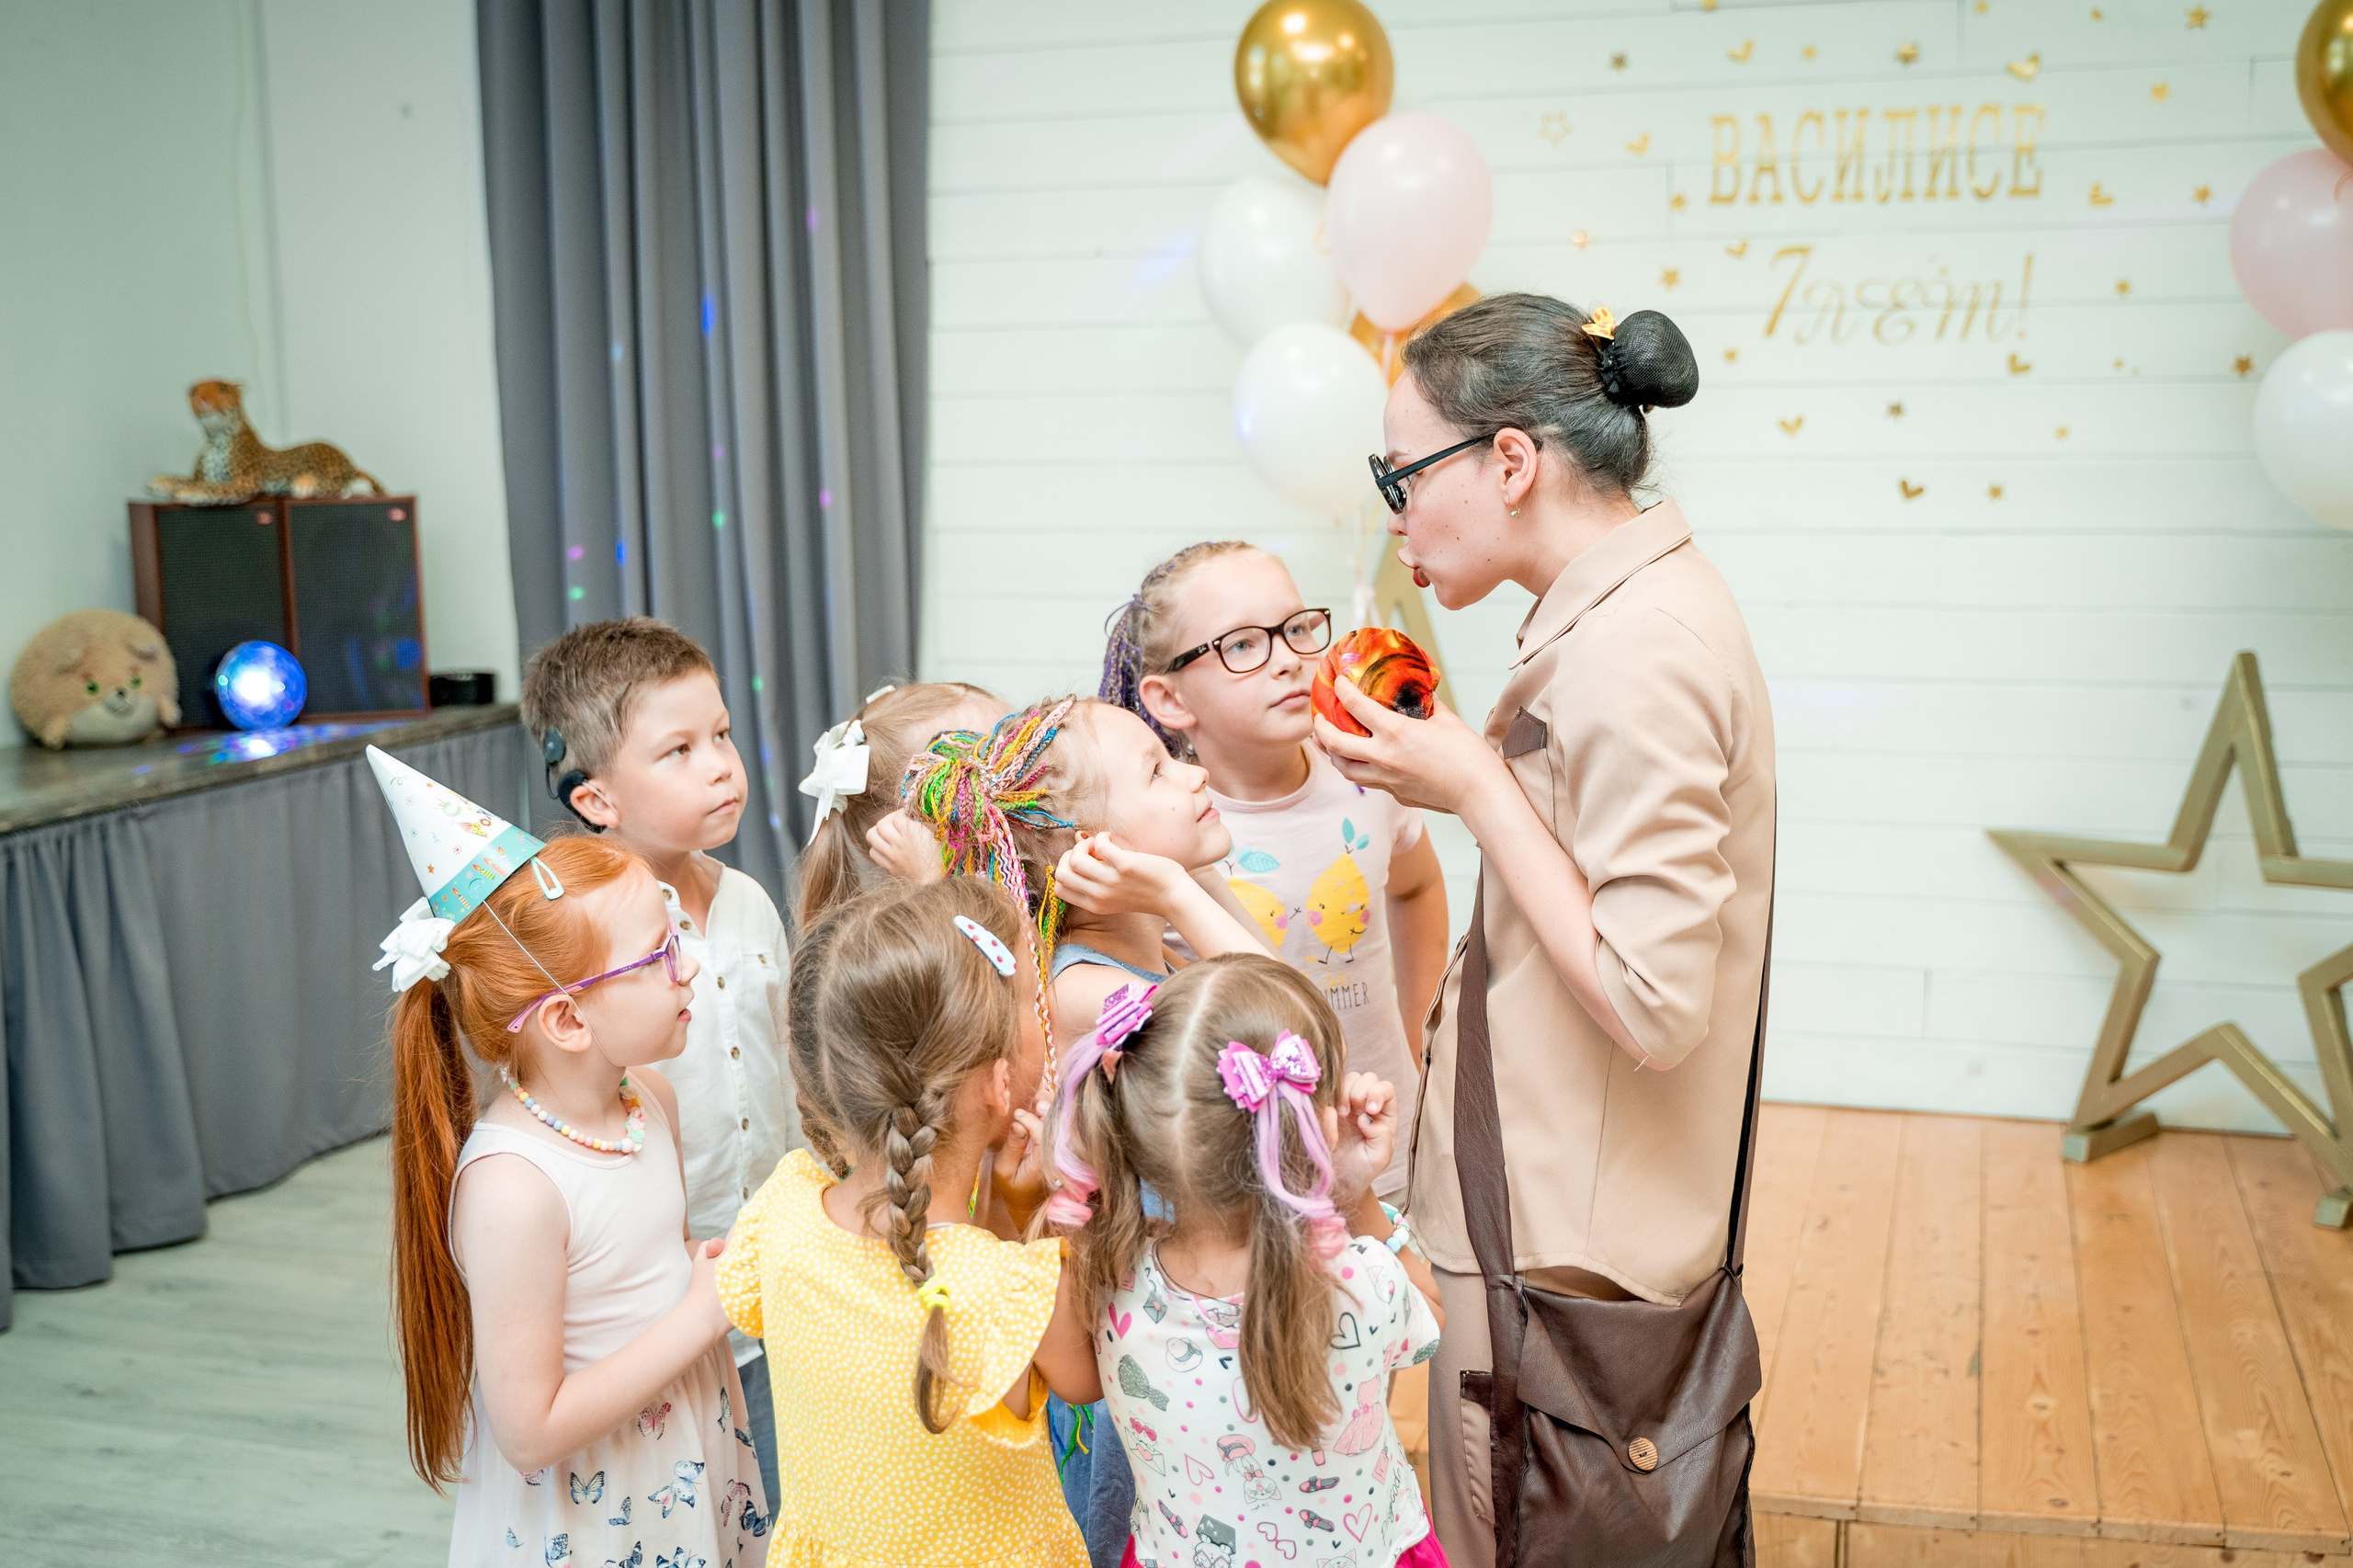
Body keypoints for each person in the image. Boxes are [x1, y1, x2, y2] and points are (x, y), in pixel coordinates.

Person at [1316, 295, 1775, 1565]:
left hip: (1567, 1265)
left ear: (1511, 461)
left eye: (1400, 475)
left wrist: (1472, 784)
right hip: (1552, 1225)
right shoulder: (1626, 612)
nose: (1392, 515)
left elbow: (1655, 1001)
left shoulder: (1639, 650)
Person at [901, 698, 1269, 1566]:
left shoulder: (1156, 953)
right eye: (1158, 769)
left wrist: (1183, 884)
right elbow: (1290, 1035)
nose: (1196, 773)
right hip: (1153, 1359)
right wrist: (1179, 884)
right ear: (1088, 853)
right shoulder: (1093, 995)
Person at [372, 747, 761, 1565]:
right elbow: (529, 1430)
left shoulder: (649, 1096)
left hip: (685, 1454)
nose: (687, 966)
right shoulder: (514, 1188)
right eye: (659, 955)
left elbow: (659, 1268)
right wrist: (701, 1313)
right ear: (568, 1022)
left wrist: (712, 1275)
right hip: (595, 1509)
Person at [717, 876, 1101, 1566]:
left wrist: (1008, 1222)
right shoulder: (1012, 1290)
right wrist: (1042, 1216)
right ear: (998, 1081)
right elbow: (1085, 1380)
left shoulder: (783, 1208)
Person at [1047, 955, 1449, 1568]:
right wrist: (1356, 1194)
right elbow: (1432, 1323)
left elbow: (1077, 1385)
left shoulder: (1109, 1285)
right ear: (1307, 1128)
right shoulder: (1354, 1282)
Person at [520, 617, 793, 1506]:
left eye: (720, 734)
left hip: (777, 1269)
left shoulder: (748, 899)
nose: (720, 764)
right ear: (597, 797)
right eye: (677, 749)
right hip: (663, 1300)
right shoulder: (579, 940)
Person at [1099, 540, 1450, 1199]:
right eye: (1242, 645)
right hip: (1243, 1181)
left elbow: (1418, 885)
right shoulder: (1165, 837)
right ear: (1170, 698)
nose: (1289, 659)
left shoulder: (1368, 778)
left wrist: (1421, 1034)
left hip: (1392, 1152)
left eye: (1296, 629)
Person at [793, 679, 1009, 933]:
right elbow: (994, 964)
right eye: (992, 774)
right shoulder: (888, 955)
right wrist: (933, 879)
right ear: (902, 827)